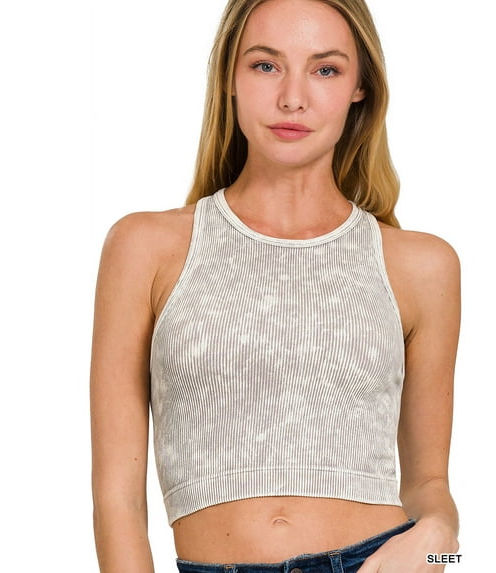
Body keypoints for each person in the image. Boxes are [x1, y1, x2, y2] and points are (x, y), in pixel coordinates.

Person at [90, 0, 461, 571]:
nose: (293, 98)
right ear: (230, 78)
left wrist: (440, 541)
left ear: (360, 88)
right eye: (266, 65)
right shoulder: (145, 248)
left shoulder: (422, 265)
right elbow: (117, 498)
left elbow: (430, 484)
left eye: (325, 69)